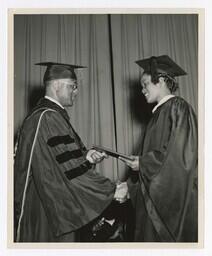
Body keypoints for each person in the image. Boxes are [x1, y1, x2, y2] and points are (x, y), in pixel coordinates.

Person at [14, 62, 128, 242]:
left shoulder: (48, 116)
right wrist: (110, 190)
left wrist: (86, 158)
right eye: (73, 86)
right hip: (47, 209)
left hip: (52, 203)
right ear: (56, 85)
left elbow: (60, 164)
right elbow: (66, 172)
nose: (76, 91)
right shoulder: (47, 118)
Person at [119, 55, 198, 242]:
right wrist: (130, 187)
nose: (142, 90)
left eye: (145, 84)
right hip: (152, 201)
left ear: (161, 81)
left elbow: (181, 158)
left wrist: (143, 163)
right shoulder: (157, 116)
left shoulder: (178, 108)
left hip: (170, 205)